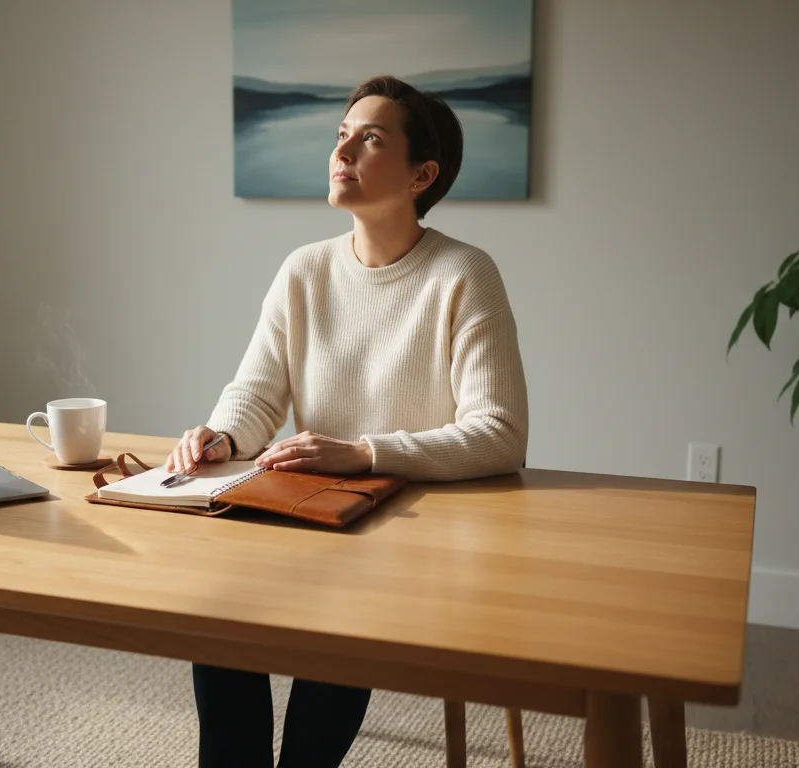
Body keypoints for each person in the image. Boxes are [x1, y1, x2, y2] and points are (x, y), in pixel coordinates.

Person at [166, 74, 529, 768]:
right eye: (342, 136)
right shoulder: (304, 270)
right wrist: (222, 435)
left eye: (371, 139)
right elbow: (257, 390)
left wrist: (363, 453)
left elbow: (502, 433)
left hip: (414, 534)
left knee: (346, 604)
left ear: (422, 173)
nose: (344, 152)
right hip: (311, 513)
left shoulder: (464, 274)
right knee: (218, 604)